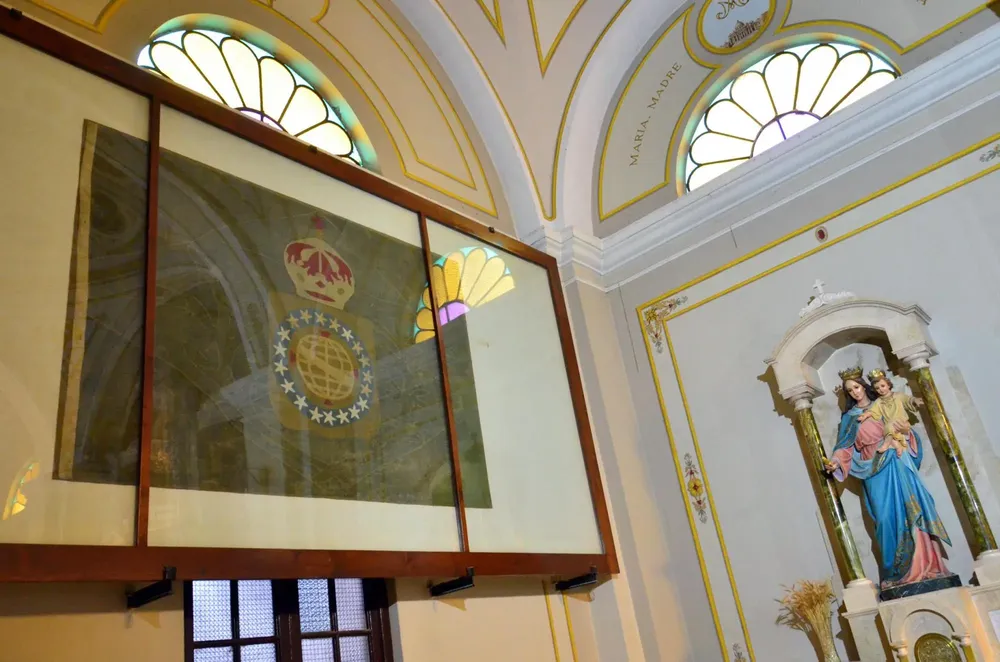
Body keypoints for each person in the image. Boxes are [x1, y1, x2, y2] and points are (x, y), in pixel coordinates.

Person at [823, 366, 951, 588]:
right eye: (850, 390)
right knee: (883, 519)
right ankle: (895, 572)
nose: (854, 392)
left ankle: (926, 566)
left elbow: (902, 428)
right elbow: (844, 447)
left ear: (864, 386)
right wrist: (835, 462)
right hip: (872, 469)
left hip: (896, 460)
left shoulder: (883, 404)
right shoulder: (850, 419)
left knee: (911, 508)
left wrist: (905, 432)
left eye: (856, 386)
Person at [859, 369, 924, 458]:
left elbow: (908, 400)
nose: (880, 390)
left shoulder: (898, 396)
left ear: (888, 385)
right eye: (877, 388)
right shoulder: (879, 401)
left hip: (901, 422)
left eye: (883, 386)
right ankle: (898, 447)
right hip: (890, 426)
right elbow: (873, 411)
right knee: (887, 430)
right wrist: (865, 415)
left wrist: (915, 400)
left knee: (889, 428)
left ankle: (885, 445)